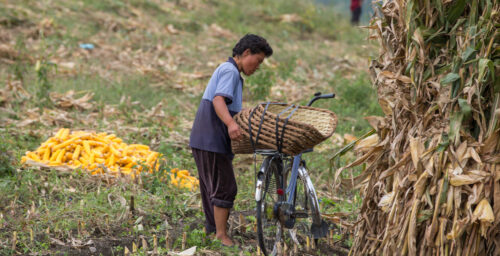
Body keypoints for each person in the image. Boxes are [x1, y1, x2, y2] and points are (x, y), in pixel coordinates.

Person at [189, 34, 273, 246]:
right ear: (246, 53)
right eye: (259, 60)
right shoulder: (230, 71)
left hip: (204, 138)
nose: (258, 67)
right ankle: (221, 235)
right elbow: (218, 100)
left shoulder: (228, 70)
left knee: (212, 186)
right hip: (211, 138)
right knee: (225, 187)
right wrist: (231, 124)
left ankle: (212, 232)